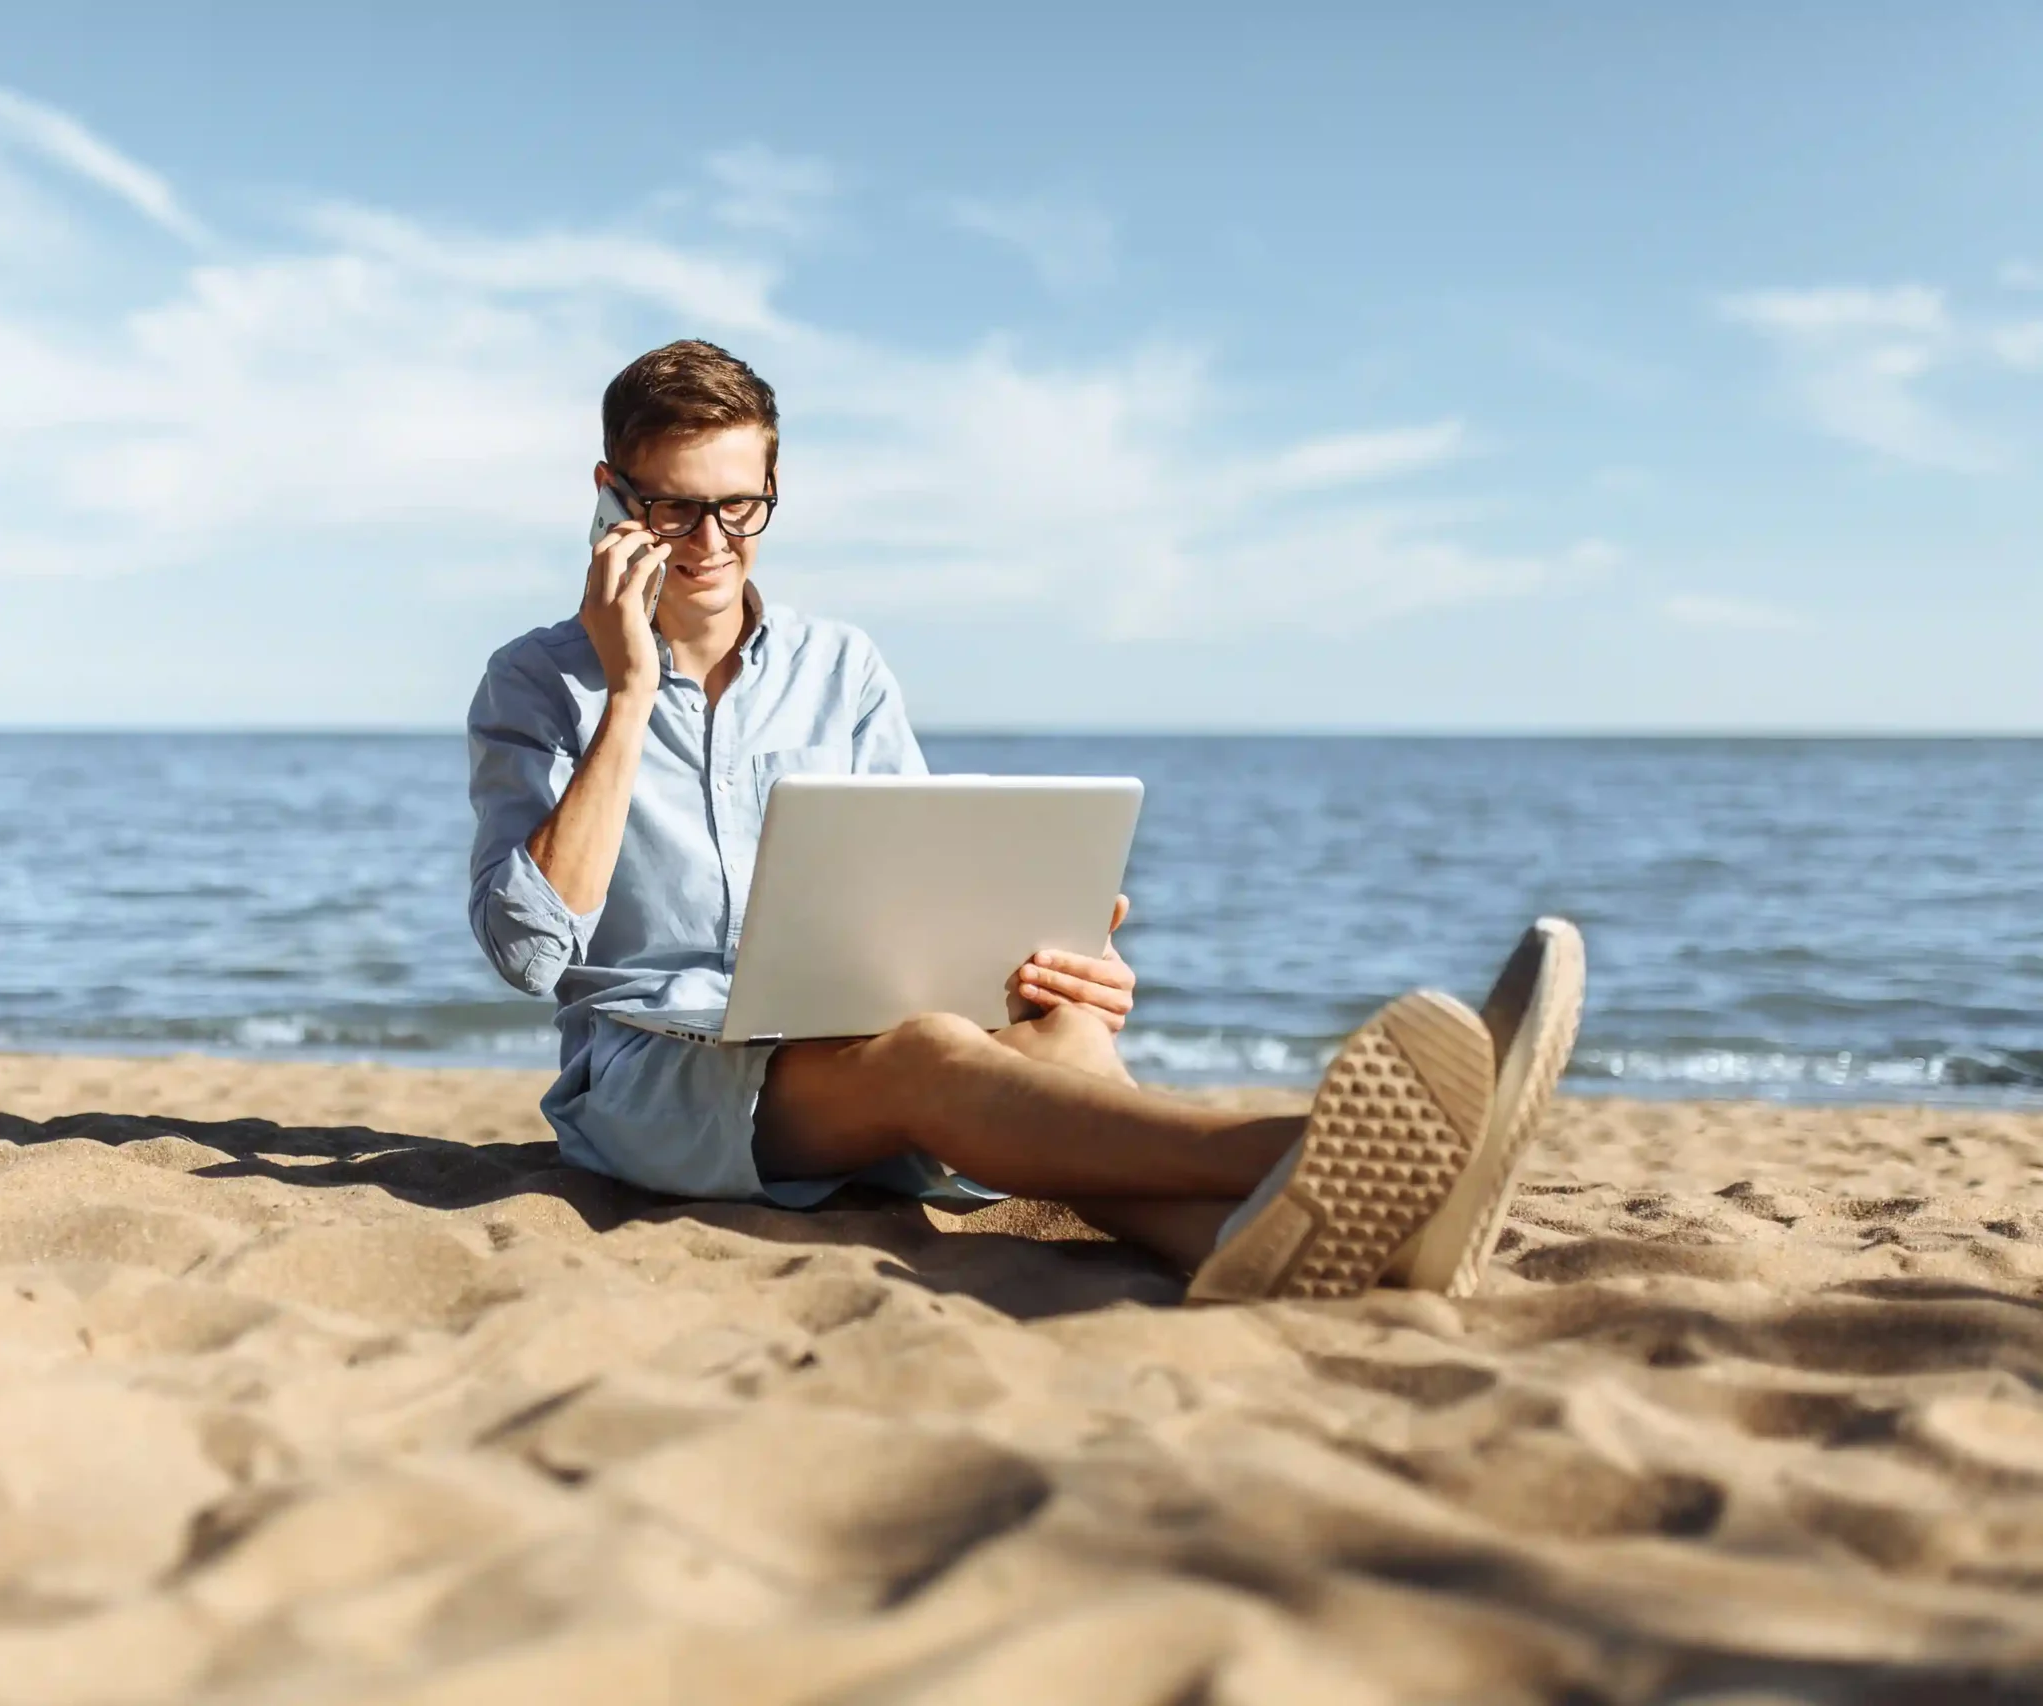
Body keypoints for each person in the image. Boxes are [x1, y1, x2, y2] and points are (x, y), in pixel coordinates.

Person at [466, 340, 1583, 1300]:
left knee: (1063, 1035)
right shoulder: (536, 682)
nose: (708, 541)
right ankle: (1316, 1150)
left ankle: (1274, 1252)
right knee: (931, 1052)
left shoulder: (839, 666)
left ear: (772, 492)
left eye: (738, 507)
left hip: (854, 1052)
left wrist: (1041, 958)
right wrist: (625, 688)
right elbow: (526, 952)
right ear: (611, 494)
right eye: (670, 505)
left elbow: (900, 894)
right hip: (656, 1078)